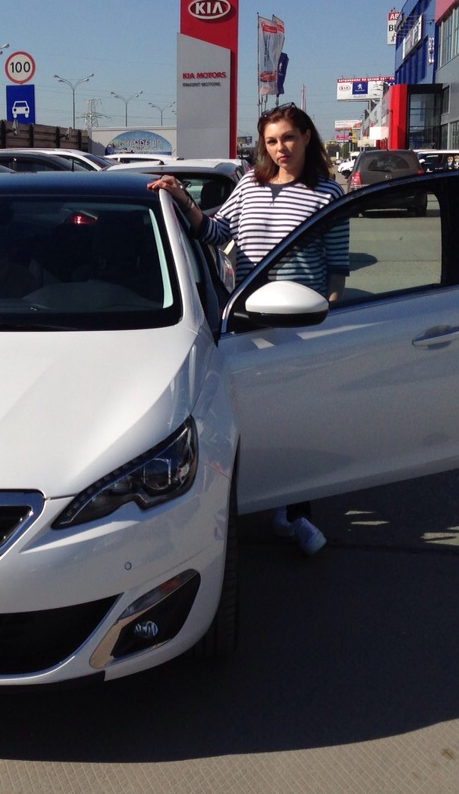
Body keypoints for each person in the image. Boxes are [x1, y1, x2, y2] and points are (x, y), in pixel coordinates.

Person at [147, 103, 348, 555]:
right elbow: (216, 232)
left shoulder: (327, 193)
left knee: (297, 424)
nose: (280, 148)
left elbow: (337, 268)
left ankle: (295, 512)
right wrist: (181, 198)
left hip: (300, 323)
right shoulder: (250, 186)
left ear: (307, 137)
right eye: (272, 141)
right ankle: (251, 503)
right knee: (249, 418)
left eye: (289, 138)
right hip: (245, 321)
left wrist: (330, 321)